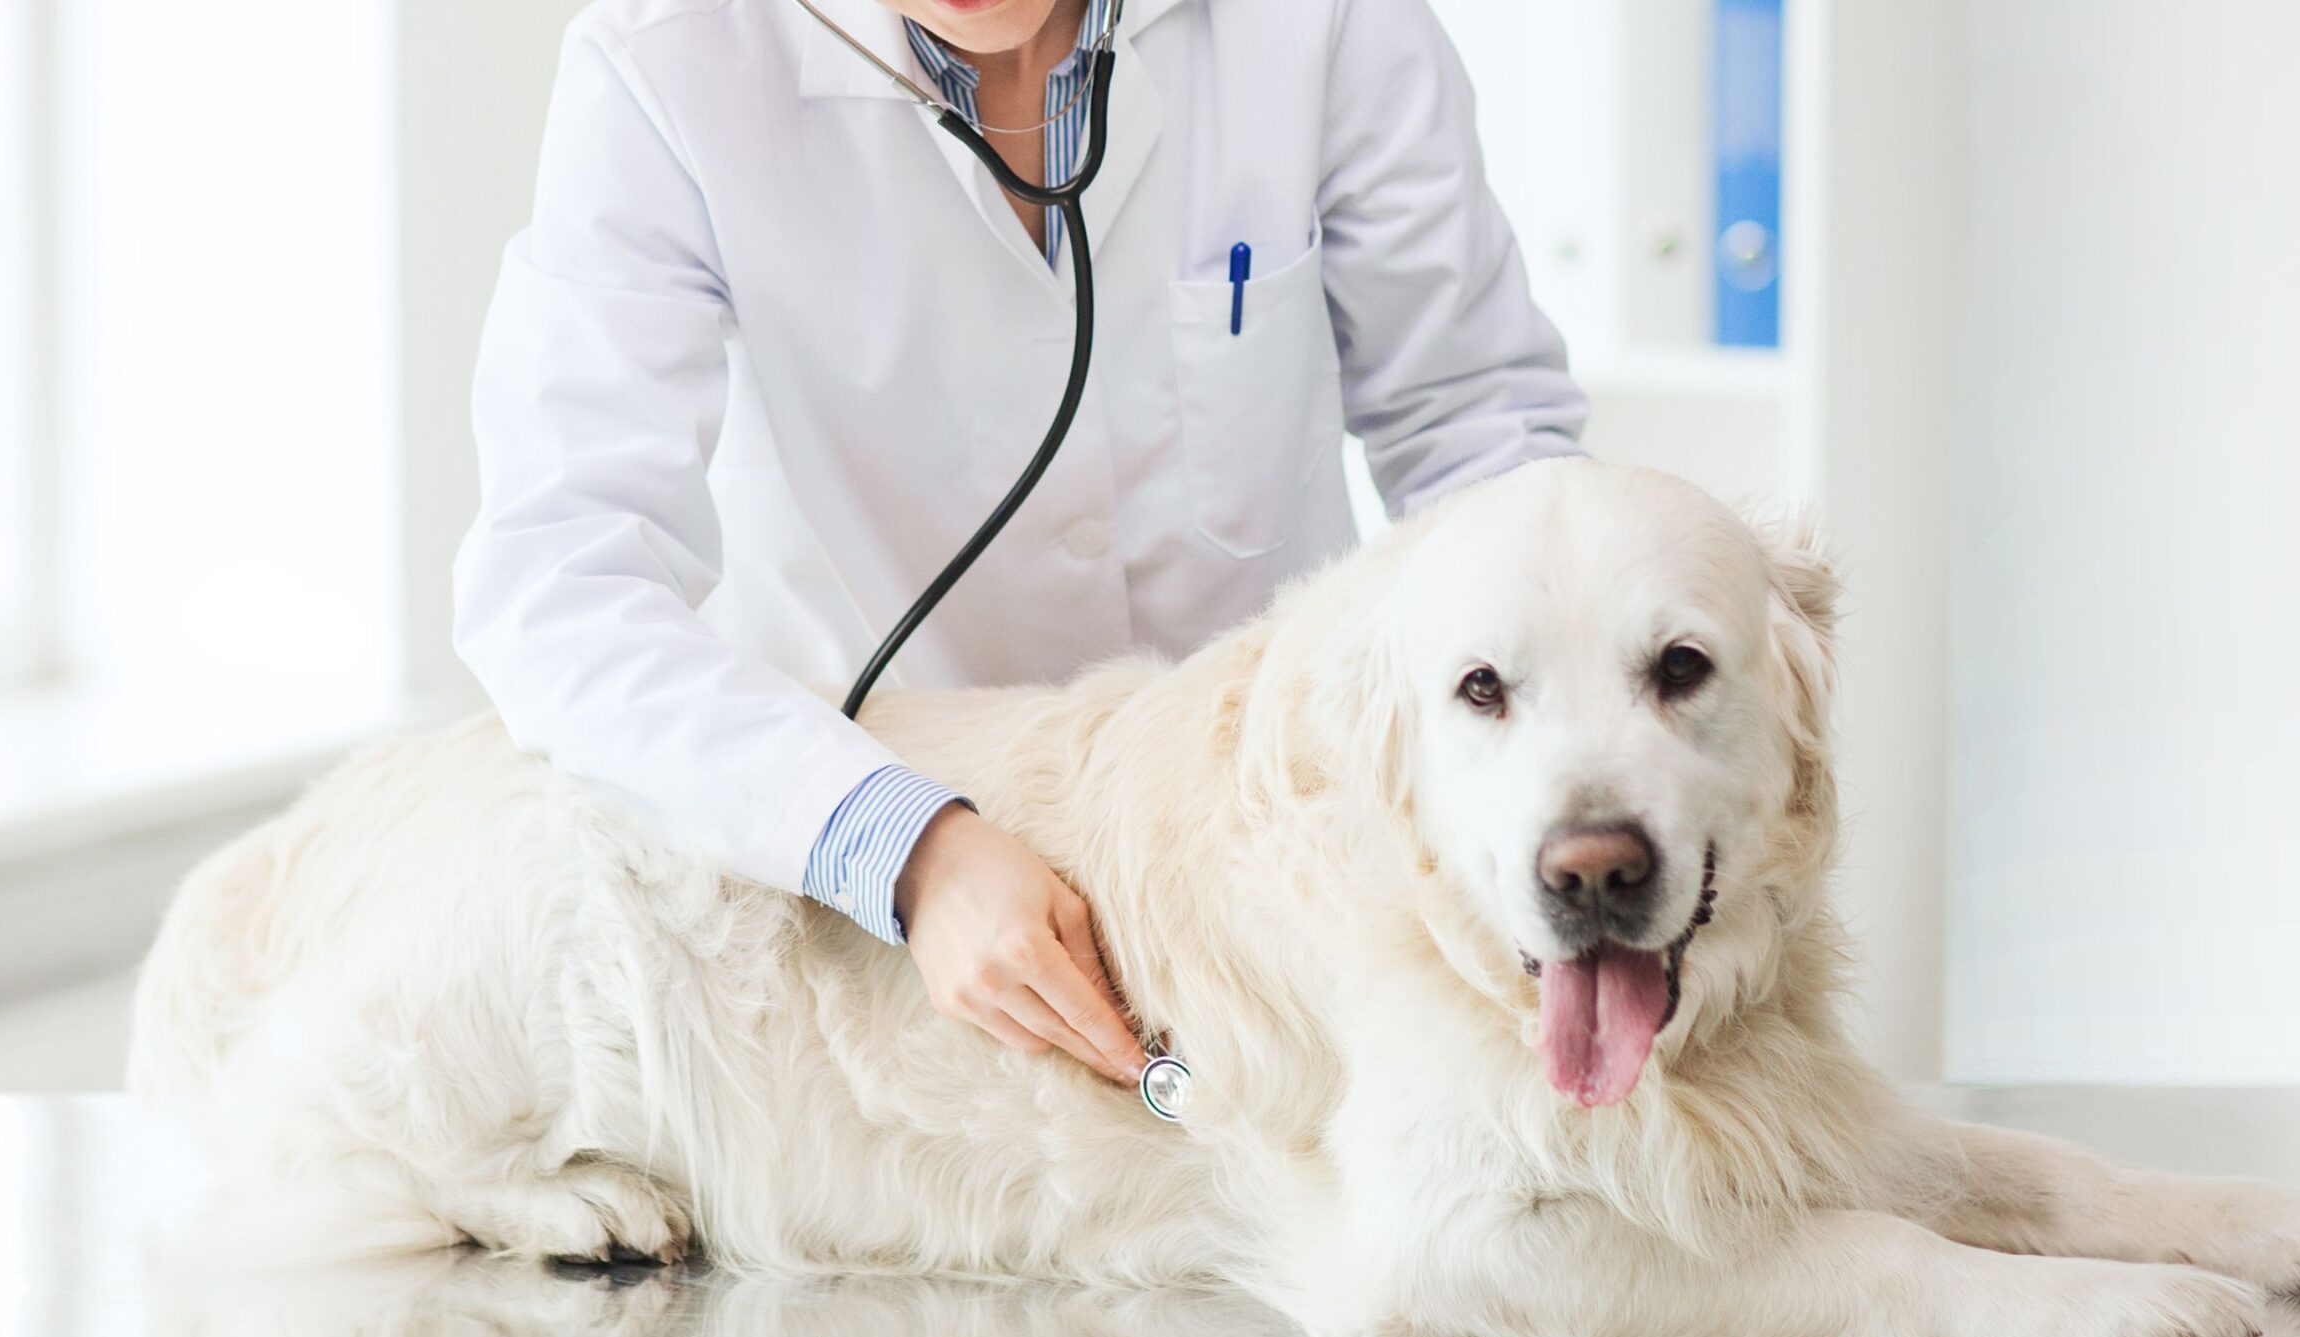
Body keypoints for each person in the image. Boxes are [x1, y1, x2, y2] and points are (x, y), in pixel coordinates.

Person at [456, 0, 1587, 1088]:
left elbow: (1478, 434)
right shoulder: (662, 66)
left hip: (1270, 857)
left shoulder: (1321, 22)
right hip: (873, 900)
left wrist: (1548, 767)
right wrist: (897, 842)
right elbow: (558, 581)